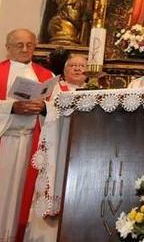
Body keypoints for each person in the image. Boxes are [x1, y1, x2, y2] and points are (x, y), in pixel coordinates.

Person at [0, 29, 54, 242]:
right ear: (8, 47)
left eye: (29, 45)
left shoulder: (47, 76)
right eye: (19, 45)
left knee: (22, 198)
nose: (25, 49)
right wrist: (13, 108)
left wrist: (43, 108)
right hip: (0, 143)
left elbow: (57, 108)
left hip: (31, 145)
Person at [23, 52, 90, 242]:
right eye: (73, 66)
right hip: (57, 147)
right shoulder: (55, 89)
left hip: (84, 149)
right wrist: (47, 108)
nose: (78, 68)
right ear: (64, 70)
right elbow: (47, 109)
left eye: (82, 65)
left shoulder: (95, 91)